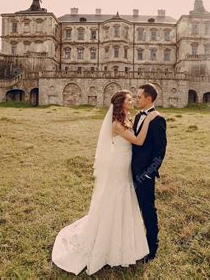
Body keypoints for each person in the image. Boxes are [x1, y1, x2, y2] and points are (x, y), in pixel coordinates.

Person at [51, 90, 159, 275]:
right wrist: (149, 119)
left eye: (134, 98)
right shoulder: (117, 124)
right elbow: (139, 141)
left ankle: (124, 241)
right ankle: (107, 242)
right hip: (118, 165)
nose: (133, 101)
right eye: (129, 99)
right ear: (121, 104)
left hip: (125, 164)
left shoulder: (126, 119)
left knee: (124, 198)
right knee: (115, 198)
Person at [131, 83, 167, 263]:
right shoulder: (137, 117)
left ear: (148, 99)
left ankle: (152, 247)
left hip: (145, 175)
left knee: (148, 210)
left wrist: (148, 173)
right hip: (130, 172)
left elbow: (160, 152)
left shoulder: (158, 120)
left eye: (138, 97)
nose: (136, 99)